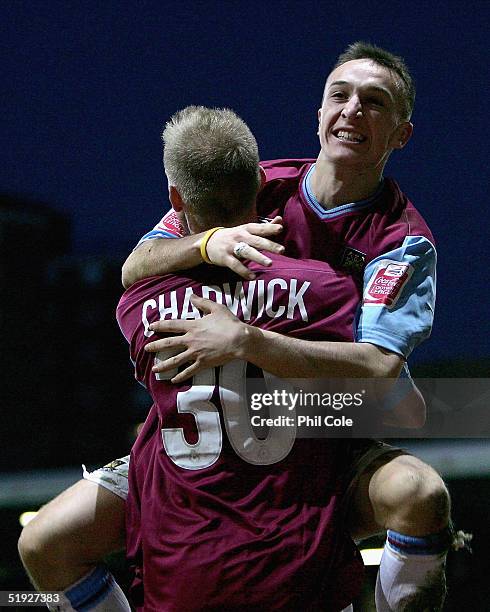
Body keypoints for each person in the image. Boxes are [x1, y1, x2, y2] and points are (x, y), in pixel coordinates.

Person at [17, 42, 455, 611]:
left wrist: (248, 341)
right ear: (317, 115)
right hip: (207, 432)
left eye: (375, 103)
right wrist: (204, 241)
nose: (352, 110)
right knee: (44, 544)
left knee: (418, 493)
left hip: (314, 426)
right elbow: (135, 266)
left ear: (401, 134)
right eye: (339, 96)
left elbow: (378, 371)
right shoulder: (250, 182)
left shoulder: (401, 241)